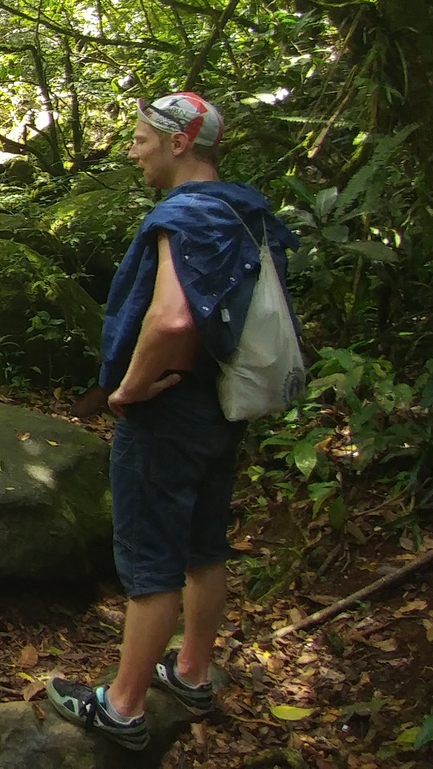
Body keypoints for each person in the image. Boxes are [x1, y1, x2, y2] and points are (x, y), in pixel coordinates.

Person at [49, 92, 297, 751]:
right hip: (223, 403)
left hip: (169, 409)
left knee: (149, 560)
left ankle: (123, 707)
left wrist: (126, 392)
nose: (133, 152)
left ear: (180, 140)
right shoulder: (242, 210)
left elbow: (174, 318)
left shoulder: (183, 216)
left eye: (139, 139)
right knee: (203, 544)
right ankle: (191, 671)